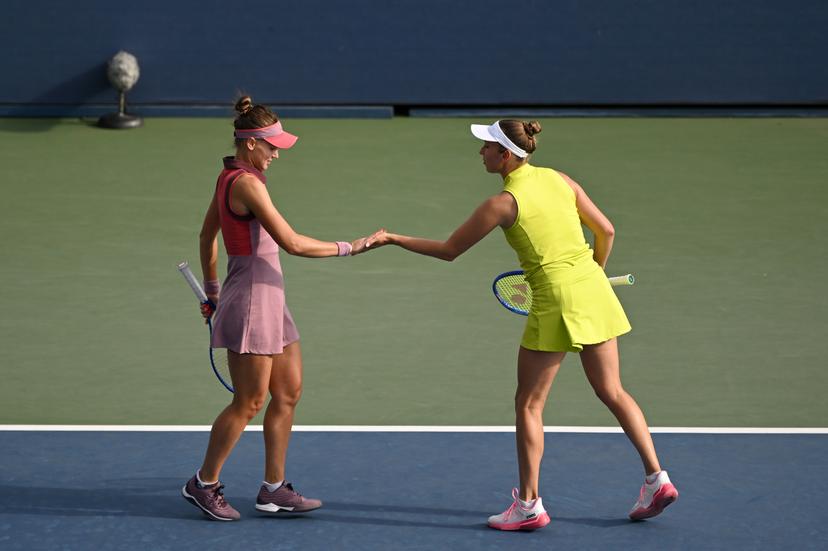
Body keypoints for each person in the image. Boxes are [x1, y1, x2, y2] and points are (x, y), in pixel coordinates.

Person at [365, 120, 678, 530]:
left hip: (555, 301)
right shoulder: (560, 179)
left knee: (528, 404)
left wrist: (392, 238)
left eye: (486, 148)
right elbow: (606, 229)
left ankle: (529, 505)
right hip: (594, 292)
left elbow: (448, 251)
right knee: (614, 391)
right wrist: (596, 272)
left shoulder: (502, 204)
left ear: (506, 154)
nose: (481, 153)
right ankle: (658, 478)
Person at [181, 96, 376, 521]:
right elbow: (291, 242)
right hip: (252, 302)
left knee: (287, 393)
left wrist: (213, 291)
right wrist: (351, 247)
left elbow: (205, 237)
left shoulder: (230, 175)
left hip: (270, 299)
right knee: (249, 402)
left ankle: (273, 489)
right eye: (272, 147)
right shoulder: (245, 184)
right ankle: (204, 482)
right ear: (251, 144)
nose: (276, 154)